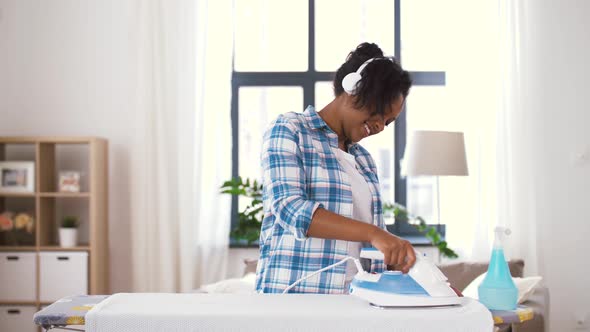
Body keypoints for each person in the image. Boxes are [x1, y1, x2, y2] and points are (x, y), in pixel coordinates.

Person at [256, 42, 415, 294]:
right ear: (353, 88)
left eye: (388, 121)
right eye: (379, 113)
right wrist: (374, 234)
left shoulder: (364, 161)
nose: (381, 126)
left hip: (355, 303)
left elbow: (376, 245)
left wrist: (424, 284)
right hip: (293, 299)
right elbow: (291, 209)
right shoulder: (290, 129)